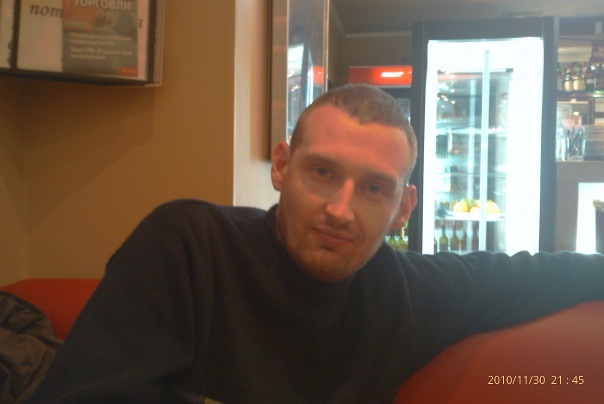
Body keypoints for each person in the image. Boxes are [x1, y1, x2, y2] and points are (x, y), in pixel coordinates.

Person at [28, 84, 604, 403]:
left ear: (403, 208)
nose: (340, 210)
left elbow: (531, 275)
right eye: (323, 173)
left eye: (374, 188)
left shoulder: (407, 293)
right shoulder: (189, 246)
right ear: (282, 167)